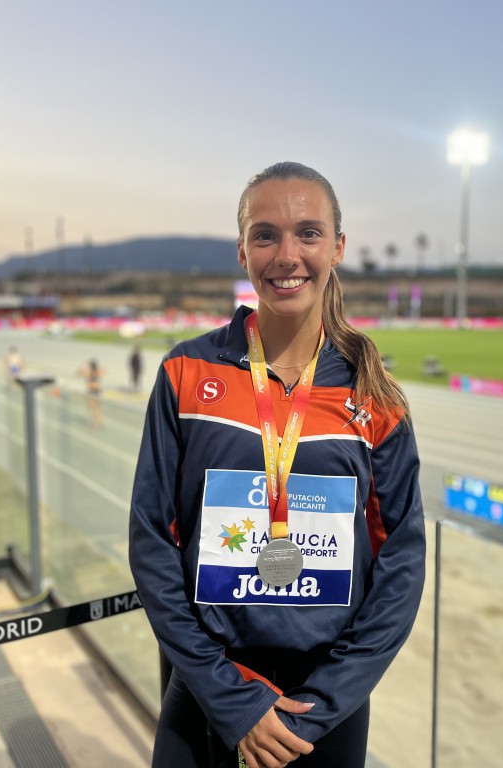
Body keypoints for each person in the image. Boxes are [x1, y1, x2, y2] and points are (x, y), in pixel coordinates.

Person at [129, 162, 425, 768]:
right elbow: (152, 542)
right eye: (265, 235)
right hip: (208, 697)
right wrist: (231, 700)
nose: (287, 254)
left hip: (323, 713)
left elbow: (402, 568)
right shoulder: (186, 374)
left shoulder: (376, 398)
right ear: (242, 250)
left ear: (338, 247)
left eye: (308, 233)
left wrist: (318, 707)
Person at [78, 358, 104, 429]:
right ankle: (100, 422)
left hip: (91, 391)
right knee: (97, 408)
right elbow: (102, 370)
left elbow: (79, 372)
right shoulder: (97, 371)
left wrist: (83, 365)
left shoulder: (88, 372)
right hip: (97, 391)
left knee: (93, 409)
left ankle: (95, 424)